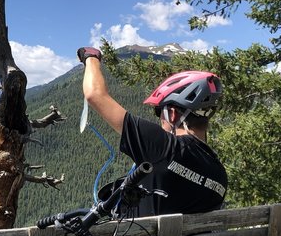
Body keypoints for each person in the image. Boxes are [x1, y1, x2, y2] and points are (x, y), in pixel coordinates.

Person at [77, 46, 227, 216]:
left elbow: (94, 95)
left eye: (159, 112)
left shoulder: (164, 147)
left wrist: (91, 56)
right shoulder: (220, 174)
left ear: (172, 114)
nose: (158, 118)